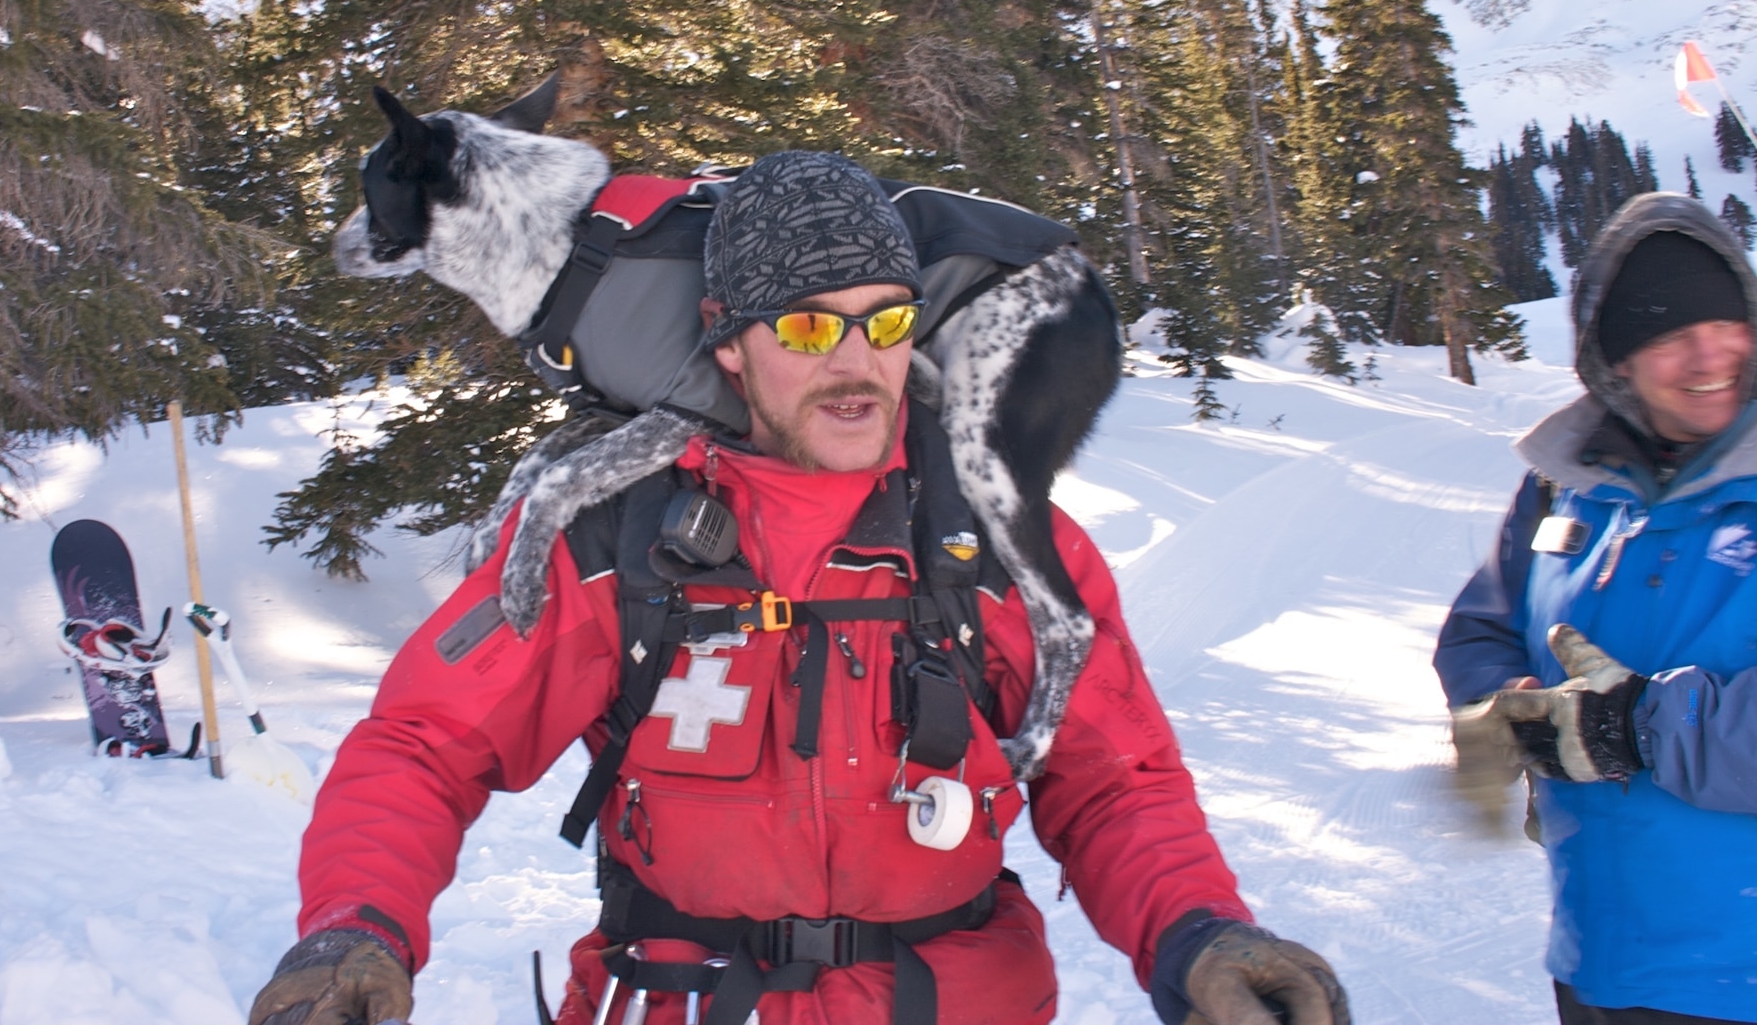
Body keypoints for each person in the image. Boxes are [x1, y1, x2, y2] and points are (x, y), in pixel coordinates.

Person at [250, 152, 1350, 1025]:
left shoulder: (993, 541)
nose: (854, 362)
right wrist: (356, 926)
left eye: (881, 321)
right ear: (729, 346)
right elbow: (421, 745)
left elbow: (1113, 781)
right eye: (810, 326)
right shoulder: (611, 540)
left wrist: (1201, 933)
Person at [1436, 192, 1757, 1025]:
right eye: (1668, 334)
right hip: (1600, 960)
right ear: (1614, 360)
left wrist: (1641, 724)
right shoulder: (1567, 482)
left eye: (1727, 323)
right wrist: (1501, 705)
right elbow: (1484, 622)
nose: (1708, 355)